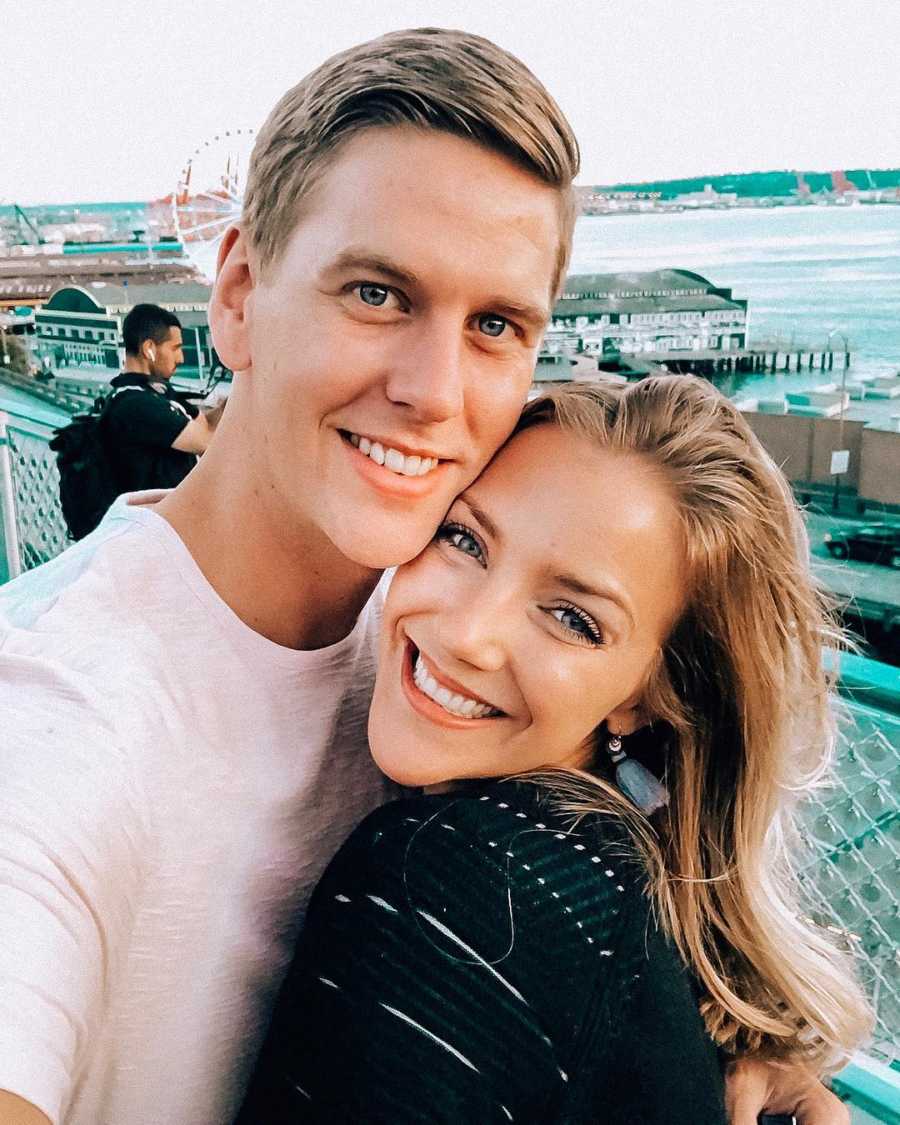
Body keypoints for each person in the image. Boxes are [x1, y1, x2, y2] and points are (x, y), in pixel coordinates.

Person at [0, 28, 846, 1125]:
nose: (435, 391)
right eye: (378, 294)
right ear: (243, 294)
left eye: (495, 324)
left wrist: (735, 1054)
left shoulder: (424, 640)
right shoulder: (52, 731)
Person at [239, 378, 871, 1124]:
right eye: (465, 539)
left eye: (573, 618)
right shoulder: (616, 894)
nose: (469, 632)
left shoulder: (459, 876)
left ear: (648, 694)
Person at [104, 302, 222, 493]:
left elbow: (203, 422)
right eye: (175, 348)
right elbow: (207, 443)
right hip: (158, 517)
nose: (181, 358)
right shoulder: (135, 405)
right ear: (149, 348)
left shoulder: (156, 391)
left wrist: (232, 403)